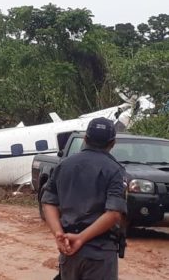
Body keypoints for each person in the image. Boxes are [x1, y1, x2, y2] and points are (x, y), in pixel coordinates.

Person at [41, 117, 127, 280]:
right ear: (112, 143)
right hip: (100, 253)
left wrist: (59, 235)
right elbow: (114, 214)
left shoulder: (64, 165)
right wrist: (81, 238)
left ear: (85, 139)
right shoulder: (115, 171)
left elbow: (48, 202)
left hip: (69, 250)